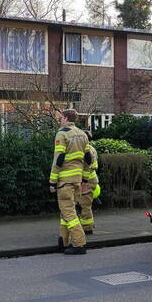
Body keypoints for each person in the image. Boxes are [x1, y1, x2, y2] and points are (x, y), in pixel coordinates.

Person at [49, 108, 90, 255]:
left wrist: (52, 181)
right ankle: (64, 241)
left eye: (61, 118)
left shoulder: (62, 133)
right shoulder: (82, 134)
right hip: (77, 181)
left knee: (69, 213)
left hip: (65, 181)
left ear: (66, 118)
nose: (60, 120)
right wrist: (84, 178)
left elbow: (59, 159)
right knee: (67, 211)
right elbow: (88, 159)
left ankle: (80, 244)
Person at [77, 130, 99, 235]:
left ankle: (87, 228)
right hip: (91, 179)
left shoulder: (86, 151)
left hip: (87, 181)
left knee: (85, 205)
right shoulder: (92, 148)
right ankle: (87, 224)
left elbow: (87, 166)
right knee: (86, 204)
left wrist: (84, 181)